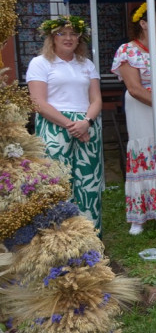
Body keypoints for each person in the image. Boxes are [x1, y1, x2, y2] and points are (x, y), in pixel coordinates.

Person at [26, 15, 104, 234]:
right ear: (52, 37)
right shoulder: (40, 63)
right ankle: (59, 237)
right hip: (55, 125)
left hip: (87, 123)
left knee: (89, 180)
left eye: (73, 34)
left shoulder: (86, 64)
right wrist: (72, 125)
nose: (68, 38)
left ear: (80, 38)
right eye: (62, 33)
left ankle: (89, 233)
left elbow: (96, 99)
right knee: (58, 180)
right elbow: (38, 102)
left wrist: (86, 122)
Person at [112, 3, 156, 235]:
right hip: (143, 107)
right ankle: (140, 216)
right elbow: (133, 88)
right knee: (146, 150)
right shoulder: (128, 51)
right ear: (143, 23)